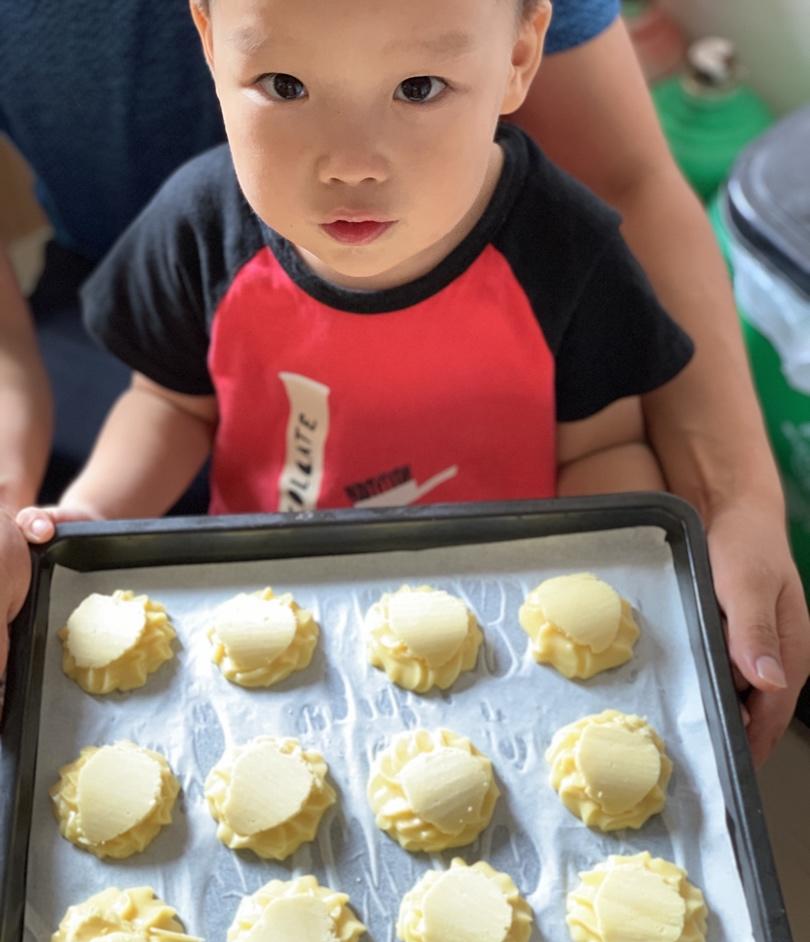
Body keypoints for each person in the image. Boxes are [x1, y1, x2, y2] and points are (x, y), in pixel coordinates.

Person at [1, 0, 807, 768]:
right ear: (211, 44)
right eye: (285, 87)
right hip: (270, 612)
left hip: (502, 628)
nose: (350, 163)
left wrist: (611, 600)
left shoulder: (565, 252)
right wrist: (92, 517)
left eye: (419, 89)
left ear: (519, 57)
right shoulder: (197, 231)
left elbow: (603, 447)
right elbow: (170, 406)